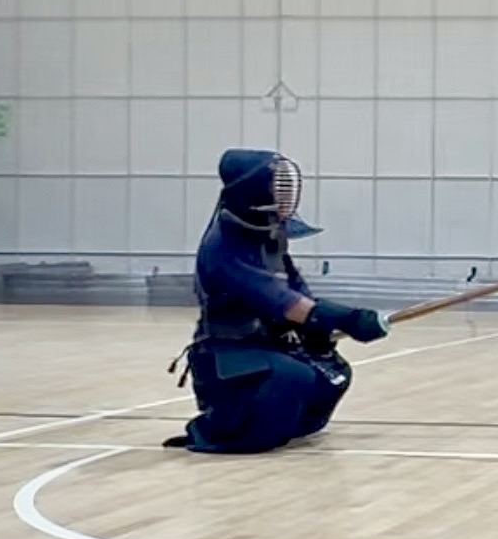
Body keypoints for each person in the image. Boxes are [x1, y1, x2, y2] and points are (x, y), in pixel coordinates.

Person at [163, 148, 389, 454]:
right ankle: (223, 429)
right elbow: (279, 300)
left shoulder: (270, 238)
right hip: (229, 353)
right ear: (254, 188)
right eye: (277, 186)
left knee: (332, 373)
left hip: (271, 343)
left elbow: (298, 291)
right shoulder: (223, 247)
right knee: (291, 377)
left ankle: (282, 426)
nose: (285, 196)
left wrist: (320, 327)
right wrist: (349, 318)